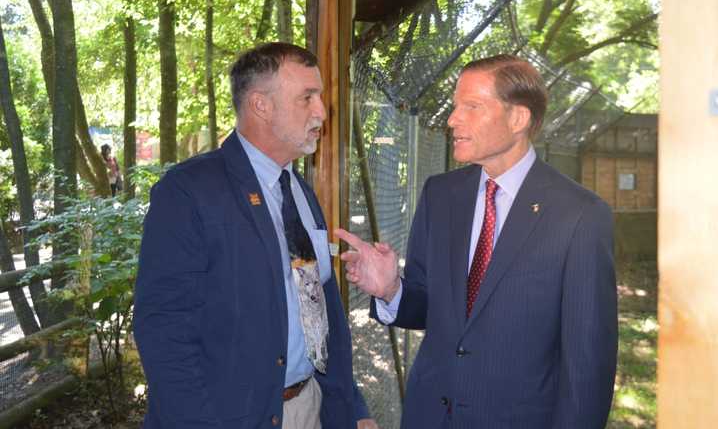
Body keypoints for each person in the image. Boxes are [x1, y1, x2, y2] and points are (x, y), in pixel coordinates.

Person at [336, 55, 617, 428]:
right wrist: (390, 290)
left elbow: (588, 368)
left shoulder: (579, 215)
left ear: (518, 119)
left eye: (472, 106)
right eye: (455, 106)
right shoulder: (441, 195)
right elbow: (427, 308)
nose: (453, 119)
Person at [134, 42, 377, 429]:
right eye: (307, 98)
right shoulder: (188, 192)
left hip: (308, 407)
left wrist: (351, 406)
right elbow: (163, 330)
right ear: (261, 105)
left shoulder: (299, 190)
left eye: (320, 97)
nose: (321, 111)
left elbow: (320, 308)